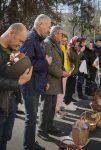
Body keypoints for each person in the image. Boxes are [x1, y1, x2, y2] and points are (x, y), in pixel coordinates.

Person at [19, 14, 51, 150]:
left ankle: (31, 143)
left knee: (32, 117)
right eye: (48, 26)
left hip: (36, 84)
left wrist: (45, 81)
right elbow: (26, 64)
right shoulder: (30, 39)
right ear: (40, 25)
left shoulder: (38, 39)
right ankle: (28, 146)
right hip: (29, 85)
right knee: (31, 117)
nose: (49, 30)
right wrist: (45, 62)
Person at [0, 23, 32, 150]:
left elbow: (6, 71)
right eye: (20, 41)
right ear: (12, 33)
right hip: (1, 105)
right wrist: (18, 82)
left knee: (5, 138)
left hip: (11, 101)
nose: (21, 45)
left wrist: (17, 61)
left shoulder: (10, 50)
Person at [38, 25, 70, 139]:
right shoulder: (47, 43)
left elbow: (57, 61)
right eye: (61, 34)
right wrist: (61, 73)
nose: (62, 36)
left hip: (55, 81)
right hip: (48, 81)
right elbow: (49, 64)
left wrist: (64, 70)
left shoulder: (55, 44)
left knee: (52, 107)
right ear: (55, 33)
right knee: (46, 107)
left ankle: (49, 125)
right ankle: (41, 130)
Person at [64, 36, 85, 105]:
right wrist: (81, 52)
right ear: (73, 42)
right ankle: (67, 99)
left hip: (74, 70)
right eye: (77, 42)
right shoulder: (70, 48)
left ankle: (70, 98)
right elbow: (74, 58)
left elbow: (76, 59)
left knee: (72, 86)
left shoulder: (74, 48)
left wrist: (79, 61)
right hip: (70, 71)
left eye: (78, 42)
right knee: (69, 86)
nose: (77, 44)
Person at [55, 34, 71, 118]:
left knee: (63, 92)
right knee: (60, 93)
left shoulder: (65, 47)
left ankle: (58, 108)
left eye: (66, 41)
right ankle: (57, 110)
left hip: (66, 73)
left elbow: (65, 59)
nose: (65, 42)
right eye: (63, 41)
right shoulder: (58, 47)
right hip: (62, 73)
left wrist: (70, 66)